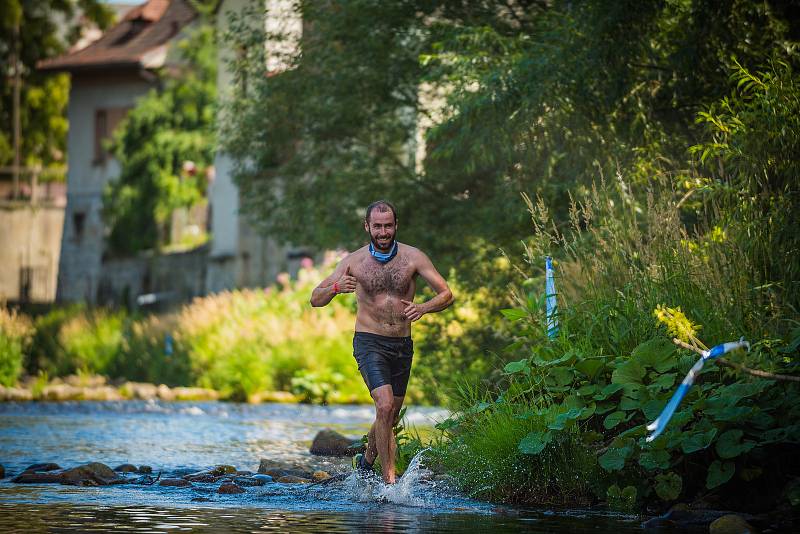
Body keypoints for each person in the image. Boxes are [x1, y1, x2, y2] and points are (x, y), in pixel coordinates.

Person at [310, 200, 454, 484]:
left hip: (401, 345)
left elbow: (446, 294)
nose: (383, 231)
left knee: (389, 414)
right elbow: (316, 298)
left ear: (396, 226)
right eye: (378, 226)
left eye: (388, 225)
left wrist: (424, 307)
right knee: (385, 405)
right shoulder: (353, 261)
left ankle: (366, 462)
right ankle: (390, 484)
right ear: (367, 227)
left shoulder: (414, 257)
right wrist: (337, 288)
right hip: (369, 342)